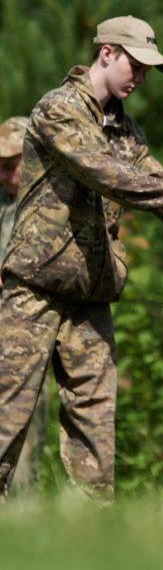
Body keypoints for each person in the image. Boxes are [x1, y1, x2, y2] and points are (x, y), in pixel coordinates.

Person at [0, 16, 163, 501]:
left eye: (146, 71)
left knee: (95, 437)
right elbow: (108, 174)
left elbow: (156, 183)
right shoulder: (57, 111)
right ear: (107, 53)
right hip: (33, 292)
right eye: (136, 66)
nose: (140, 79)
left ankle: (91, 542)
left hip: (91, 298)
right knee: (6, 422)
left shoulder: (127, 130)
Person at [0, 116, 48, 495]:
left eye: (10, 164)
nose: (4, 172)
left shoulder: (48, 204)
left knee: (24, 424)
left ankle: (22, 514)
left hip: (26, 334)